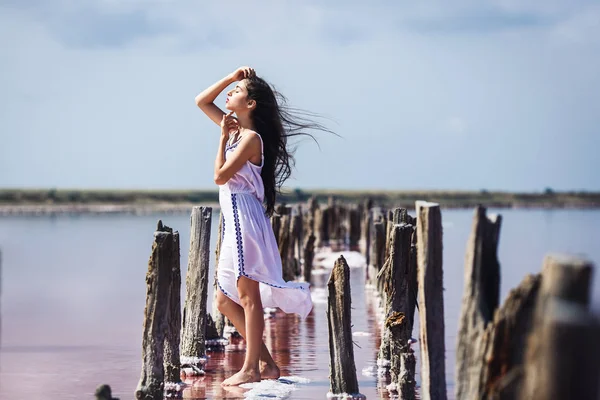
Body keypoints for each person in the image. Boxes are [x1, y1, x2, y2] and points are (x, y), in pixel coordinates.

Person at [195, 66, 330, 386]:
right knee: (224, 300)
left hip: (244, 219)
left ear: (251, 103)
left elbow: (219, 176)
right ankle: (267, 363)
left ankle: (251, 368)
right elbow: (202, 101)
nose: (230, 94)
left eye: (237, 90)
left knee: (247, 295)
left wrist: (221, 140)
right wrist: (230, 78)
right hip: (236, 219)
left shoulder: (249, 138)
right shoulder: (236, 132)